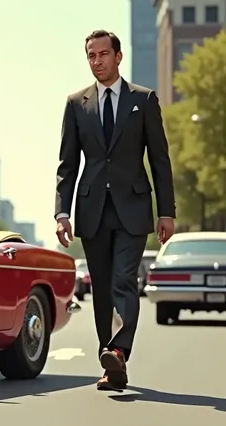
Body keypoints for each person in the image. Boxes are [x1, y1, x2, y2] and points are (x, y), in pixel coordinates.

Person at [54, 30, 176, 391]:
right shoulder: (76, 103)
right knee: (103, 291)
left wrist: (165, 211)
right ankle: (112, 364)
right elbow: (67, 164)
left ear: (118, 57)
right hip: (92, 209)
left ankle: (118, 351)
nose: (97, 61)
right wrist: (62, 212)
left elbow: (159, 159)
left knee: (123, 280)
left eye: (103, 54)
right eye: (91, 55)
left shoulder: (144, 100)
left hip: (133, 207)